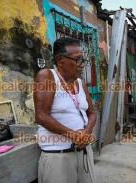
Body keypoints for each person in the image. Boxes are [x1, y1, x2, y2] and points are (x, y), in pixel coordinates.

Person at [33, 37, 97, 183]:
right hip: (59, 156)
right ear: (61, 60)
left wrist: (86, 133)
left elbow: (92, 113)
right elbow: (41, 115)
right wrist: (74, 136)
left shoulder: (80, 83)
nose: (82, 65)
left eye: (83, 60)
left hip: (84, 151)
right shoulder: (47, 76)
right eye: (77, 60)